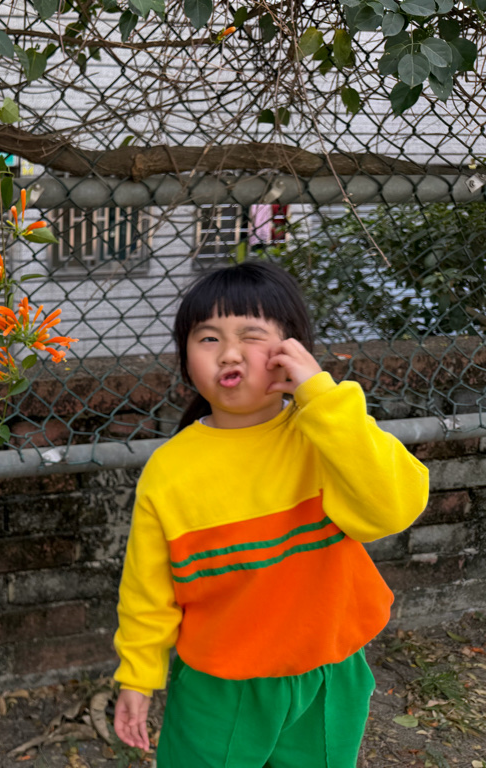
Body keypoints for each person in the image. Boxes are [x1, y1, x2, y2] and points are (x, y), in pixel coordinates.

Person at [111, 261, 429, 766]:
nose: (228, 352)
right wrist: (137, 676)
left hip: (330, 675)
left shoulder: (326, 434)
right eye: (208, 338)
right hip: (219, 687)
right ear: (185, 359)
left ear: (292, 351)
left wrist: (322, 396)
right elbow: (147, 592)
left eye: (251, 335)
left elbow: (392, 509)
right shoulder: (169, 471)